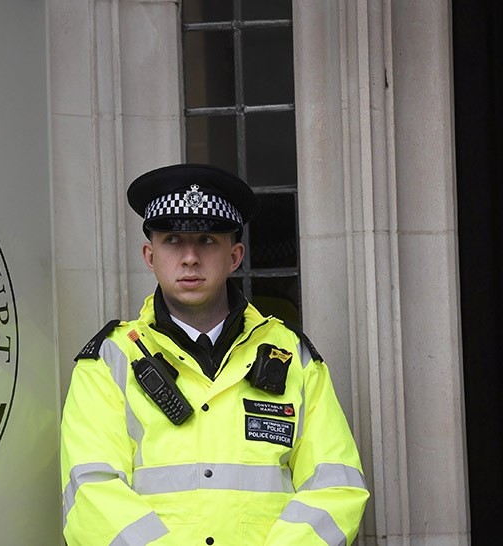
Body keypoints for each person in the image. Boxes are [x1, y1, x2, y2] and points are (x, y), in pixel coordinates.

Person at [60, 163, 369, 545]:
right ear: (149, 255)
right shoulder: (109, 360)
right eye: (172, 240)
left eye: (207, 240)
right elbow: (92, 493)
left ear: (235, 256)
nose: (190, 257)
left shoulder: (291, 355)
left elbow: (336, 488)